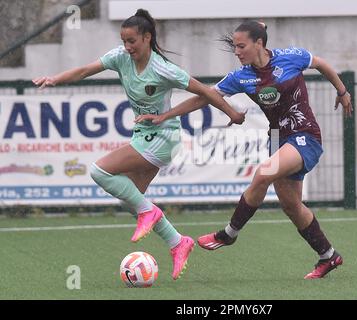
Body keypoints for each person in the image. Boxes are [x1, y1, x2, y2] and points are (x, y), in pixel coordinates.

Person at [32, 9, 245, 280]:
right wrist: (54, 79)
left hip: (163, 136)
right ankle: (178, 242)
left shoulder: (162, 68)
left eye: (132, 41)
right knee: (131, 197)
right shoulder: (120, 58)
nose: (127, 47)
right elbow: (86, 70)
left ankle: (150, 212)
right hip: (142, 134)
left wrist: (232, 113)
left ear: (147, 38)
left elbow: (205, 91)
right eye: (124, 41)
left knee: (100, 171)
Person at [139, 20, 352, 279]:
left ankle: (229, 234)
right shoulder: (241, 76)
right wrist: (165, 116)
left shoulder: (290, 57)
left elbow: (320, 64)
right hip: (276, 138)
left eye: (241, 46)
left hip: (305, 136)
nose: (237, 52)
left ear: (259, 43)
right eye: (235, 47)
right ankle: (328, 255)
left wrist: (342, 91)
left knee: (263, 173)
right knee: (291, 205)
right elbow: (205, 96)